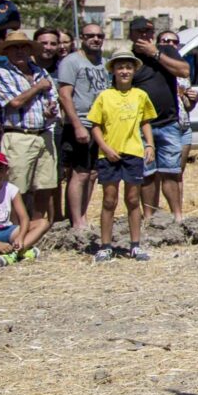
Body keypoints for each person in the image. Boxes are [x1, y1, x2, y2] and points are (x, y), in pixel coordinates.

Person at [86, 44, 155, 262]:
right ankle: (105, 245)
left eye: (128, 67)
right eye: (120, 67)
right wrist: (105, 148)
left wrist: (150, 145)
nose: (124, 71)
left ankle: (135, 245)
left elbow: (145, 121)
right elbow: (95, 125)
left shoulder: (140, 95)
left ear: (134, 70)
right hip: (109, 154)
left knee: (133, 199)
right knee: (109, 199)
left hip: (133, 152)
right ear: (113, 71)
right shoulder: (104, 96)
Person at [0, 31, 59, 233]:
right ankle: (16, 231)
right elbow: (14, 102)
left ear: (30, 50)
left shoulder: (40, 71)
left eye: (23, 47)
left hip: (43, 133)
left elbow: (52, 98)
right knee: (16, 188)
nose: (19, 51)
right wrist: (38, 87)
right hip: (19, 135)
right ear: (6, 51)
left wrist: (50, 110)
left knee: (45, 185)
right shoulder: (3, 74)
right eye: (14, 48)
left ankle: (36, 229)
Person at [127, 18, 190, 221]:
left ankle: (177, 216)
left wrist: (154, 53)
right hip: (141, 126)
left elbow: (184, 71)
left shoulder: (166, 50)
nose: (145, 35)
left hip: (168, 122)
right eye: (140, 32)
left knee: (171, 172)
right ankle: (150, 217)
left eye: (148, 31)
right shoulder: (128, 58)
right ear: (131, 34)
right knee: (147, 174)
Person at [56, 22, 110, 235]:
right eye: (90, 36)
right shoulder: (71, 61)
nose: (95, 39)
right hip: (80, 124)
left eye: (99, 36)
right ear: (82, 38)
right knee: (79, 174)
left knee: (93, 173)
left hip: (100, 126)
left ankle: (83, 216)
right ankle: (77, 222)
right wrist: (77, 125)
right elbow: (64, 95)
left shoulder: (104, 63)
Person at [0, 148, 47, 264]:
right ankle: (16, 250)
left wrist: (21, 236)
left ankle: (14, 252)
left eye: (0, 169)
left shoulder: (12, 189)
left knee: (43, 223)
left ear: (6, 170)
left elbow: (24, 218)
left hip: (8, 230)